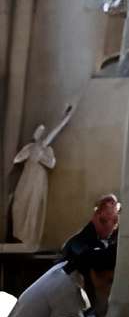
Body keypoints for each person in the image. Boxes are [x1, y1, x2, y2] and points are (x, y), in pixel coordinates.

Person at [9, 104, 74, 250]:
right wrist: (30, 152)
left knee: (33, 205)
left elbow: (51, 164)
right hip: (27, 176)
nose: (38, 132)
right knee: (19, 203)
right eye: (37, 130)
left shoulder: (47, 149)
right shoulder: (29, 147)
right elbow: (15, 159)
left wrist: (41, 156)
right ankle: (19, 235)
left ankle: (29, 238)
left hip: (37, 179)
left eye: (41, 131)